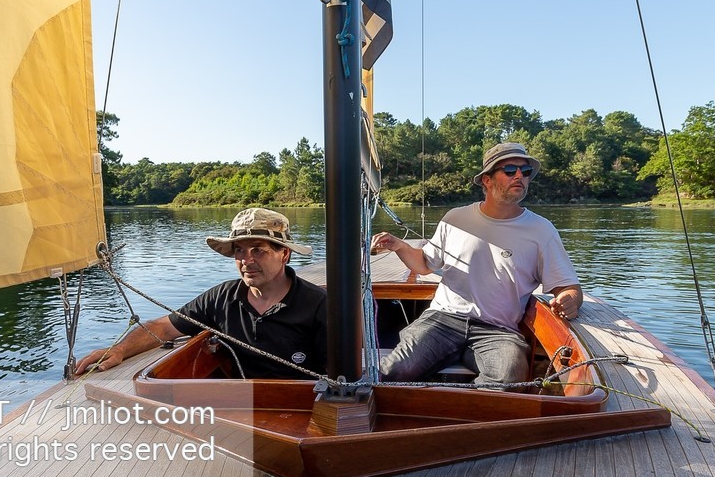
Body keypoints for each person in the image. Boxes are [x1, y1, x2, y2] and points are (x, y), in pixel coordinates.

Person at [371, 142, 583, 386]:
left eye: (525, 172)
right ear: (487, 180)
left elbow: (569, 288)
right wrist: (399, 246)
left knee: (508, 379)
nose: (519, 176)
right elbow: (424, 265)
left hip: (498, 331)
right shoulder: (456, 219)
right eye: (510, 169)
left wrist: (569, 300)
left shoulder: (541, 231)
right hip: (442, 319)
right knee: (392, 372)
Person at [72, 208, 327, 379]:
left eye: (258, 250)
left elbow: (339, 376)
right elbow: (163, 328)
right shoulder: (220, 298)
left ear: (285, 254)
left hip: (297, 410)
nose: (246, 260)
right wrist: (120, 349)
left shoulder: (319, 305)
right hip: (235, 408)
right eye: (239, 250)